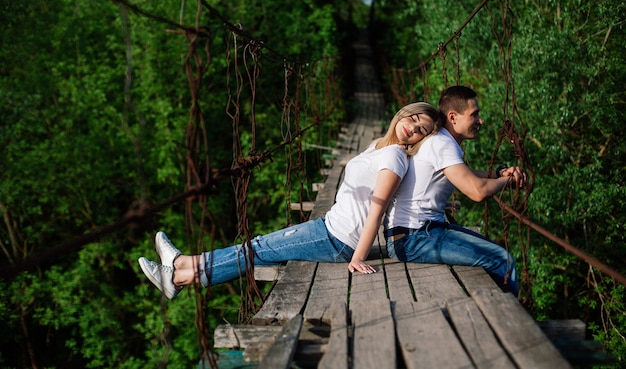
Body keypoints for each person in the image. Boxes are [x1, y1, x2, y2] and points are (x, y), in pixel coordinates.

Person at [139, 102, 441, 299]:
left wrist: (358, 256)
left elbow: (377, 209)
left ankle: (179, 272)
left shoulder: (395, 156)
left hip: (339, 239)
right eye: (413, 118)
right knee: (257, 249)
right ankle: (180, 271)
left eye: (421, 130)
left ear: (420, 139)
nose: (412, 128)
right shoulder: (379, 145)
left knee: (257, 248)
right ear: (403, 112)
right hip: (330, 227)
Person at [384, 85, 526, 296]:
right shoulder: (441, 144)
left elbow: (464, 173)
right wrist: (509, 182)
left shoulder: (440, 139)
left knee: (492, 249)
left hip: (416, 232)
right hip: (413, 238)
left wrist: (498, 174)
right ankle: (506, 324)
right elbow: (477, 192)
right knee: (501, 260)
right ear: (453, 117)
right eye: (474, 114)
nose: (480, 121)